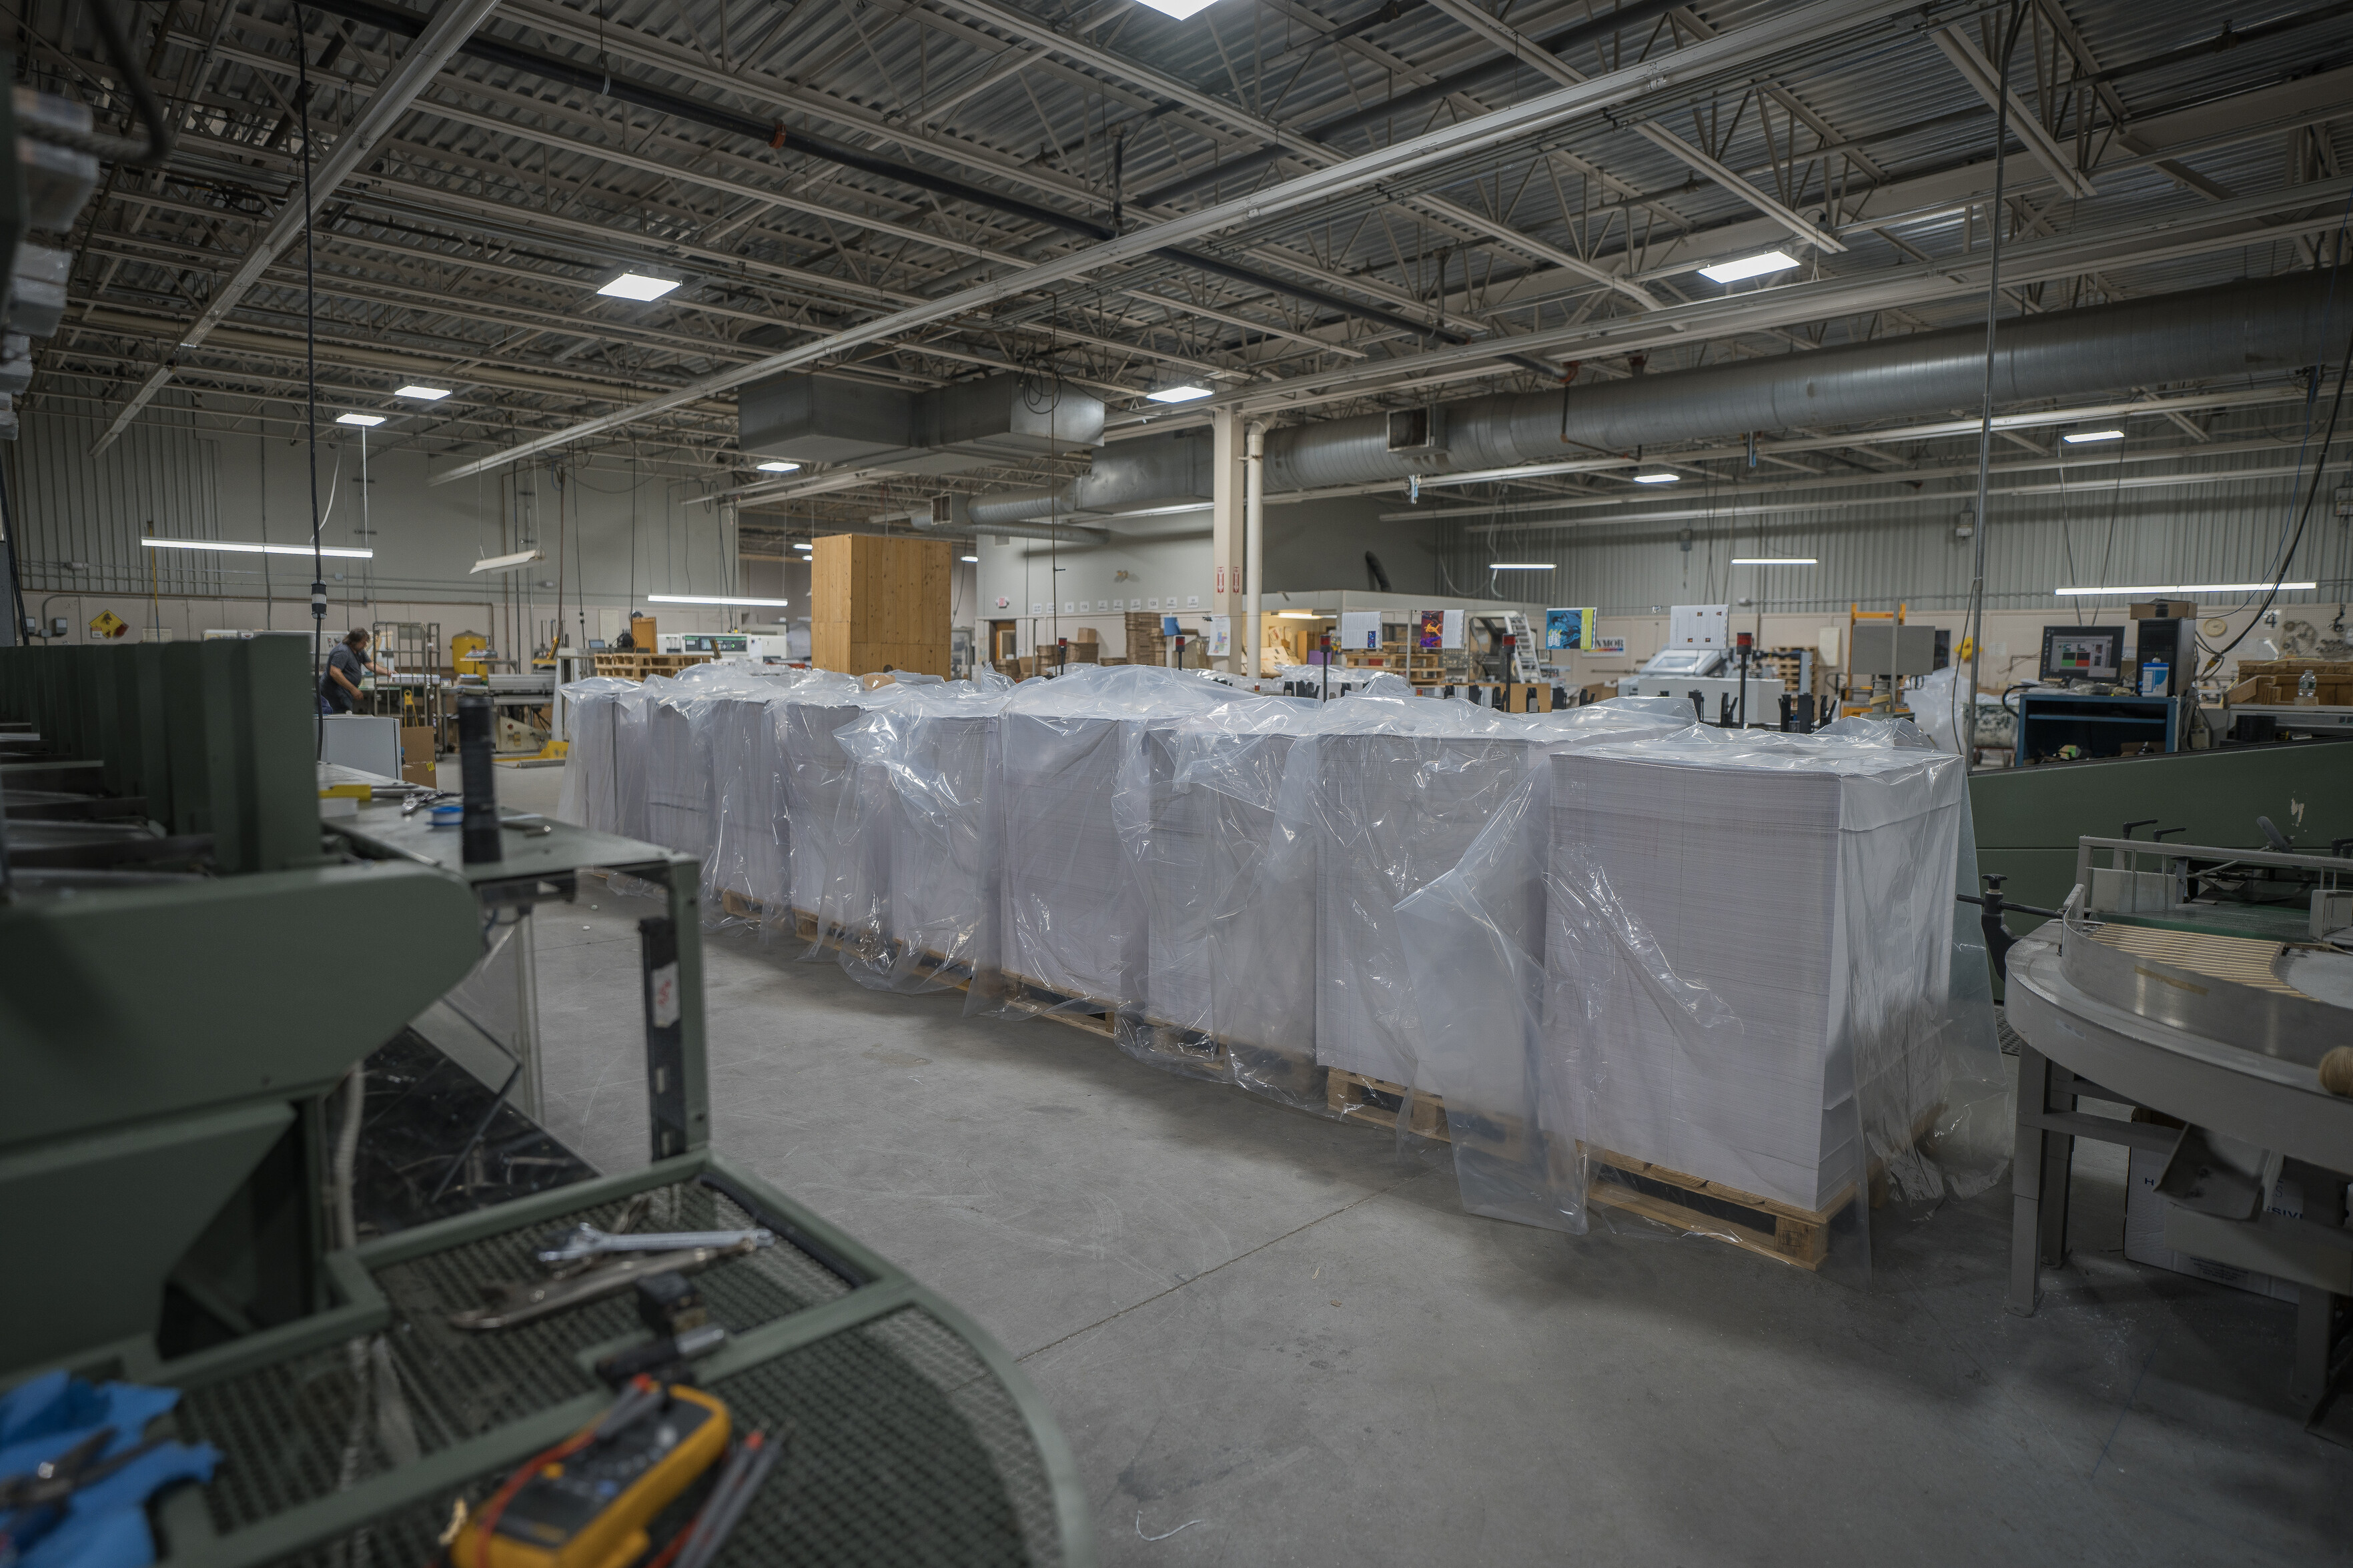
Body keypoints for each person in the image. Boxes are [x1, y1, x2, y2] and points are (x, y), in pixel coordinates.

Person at [320, 628, 393, 714]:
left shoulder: (359, 651)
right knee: (339, 716)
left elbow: (369, 664)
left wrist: (387, 672)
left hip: (345, 692)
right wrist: (353, 689)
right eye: (363, 642)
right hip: (334, 693)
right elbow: (334, 672)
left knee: (346, 714)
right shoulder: (343, 651)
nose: (365, 645)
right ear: (354, 642)